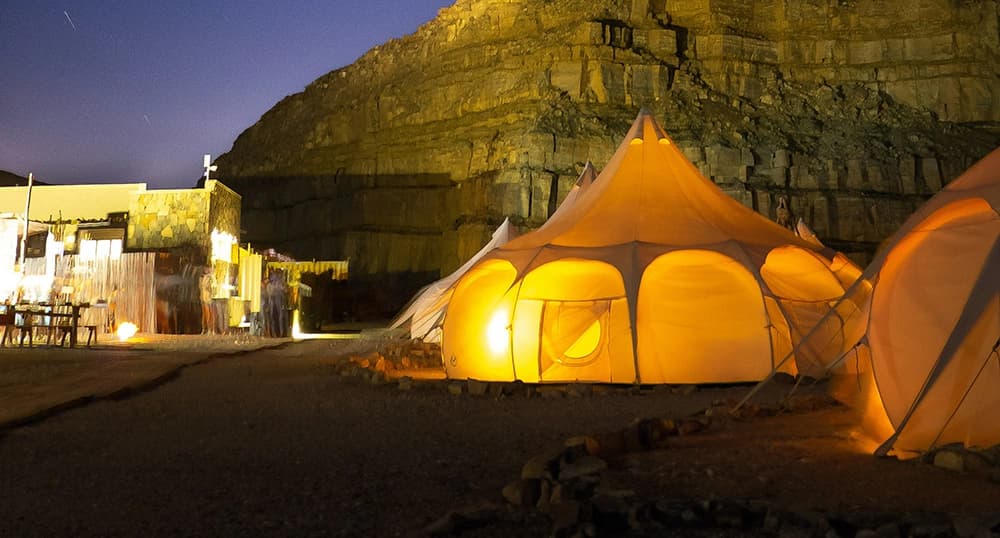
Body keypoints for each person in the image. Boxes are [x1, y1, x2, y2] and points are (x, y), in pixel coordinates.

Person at [199, 268, 214, 334]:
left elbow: (210, 287)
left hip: (209, 297)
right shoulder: (202, 277)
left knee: (210, 314)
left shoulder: (210, 277)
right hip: (204, 297)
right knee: (205, 314)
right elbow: (201, 288)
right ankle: (205, 329)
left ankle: (210, 329)